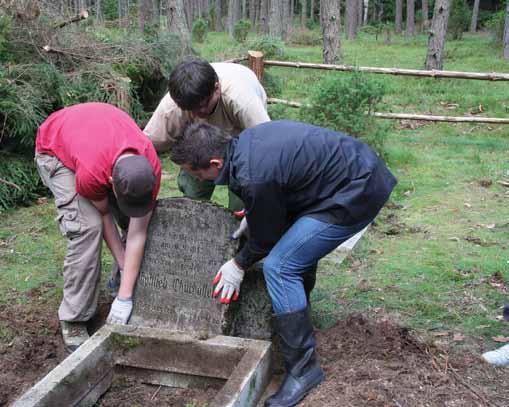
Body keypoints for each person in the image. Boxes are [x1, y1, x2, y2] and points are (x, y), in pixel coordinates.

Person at [171, 121, 397, 407]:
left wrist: (238, 265)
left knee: (281, 266)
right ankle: (297, 324)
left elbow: (266, 239)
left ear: (215, 163)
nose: (198, 180)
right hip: (347, 175)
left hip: (355, 192)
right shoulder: (245, 144)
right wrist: (258, 210)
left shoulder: (254, 176)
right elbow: (281, 183)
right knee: (294, 251)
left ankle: (304, 370)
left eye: (196, 172)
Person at [35, 102, 161, 353]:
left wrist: (124, 298)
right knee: (86, 226)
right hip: (55, 150)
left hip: (94, 137)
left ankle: (120, 286)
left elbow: (138, 232)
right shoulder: (93, 173)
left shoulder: (152, 167)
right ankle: (74, 317)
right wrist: (124, 261)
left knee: (129, 218)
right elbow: (103, 214)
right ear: (111, 181)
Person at [144, 57, 270, 212]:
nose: (198, 114)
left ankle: (241, 231)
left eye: (202, 107)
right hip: (198, 143)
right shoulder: (173, 106)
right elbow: (146, 145)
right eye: (191, 109)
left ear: (217, 88)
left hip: (243, 141)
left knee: (243, 201)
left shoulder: (242, 101)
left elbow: (267, 147)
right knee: (192, 195)